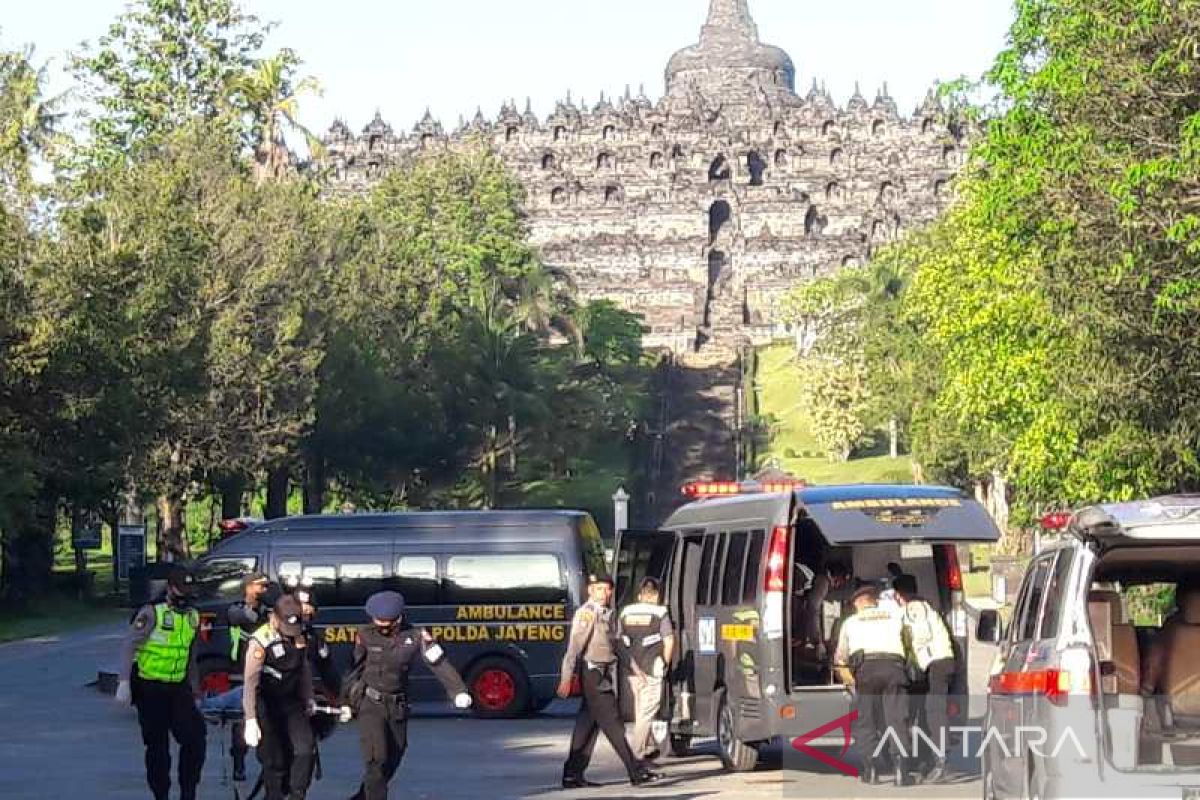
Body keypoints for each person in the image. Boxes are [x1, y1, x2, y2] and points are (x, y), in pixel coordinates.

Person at [344, 590, 472, 800]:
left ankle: (361, 797)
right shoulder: (365, 634)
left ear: (397, 620)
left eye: (385, 624)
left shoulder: (416, 636)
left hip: (397, 705)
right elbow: (353, 670)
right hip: (371, 703)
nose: (381, 628)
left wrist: (458, 690)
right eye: (377, 622)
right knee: (377, 759)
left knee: (395, 755)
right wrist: (345, 702)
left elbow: (438, 663)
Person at [557, 574, 659, 789]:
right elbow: (573, 650)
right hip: (592, 673)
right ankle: (636, 771)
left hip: (604, 672)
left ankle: (572, 774)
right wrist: (566, 679)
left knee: (588, 726)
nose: (604, 593)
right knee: (614, 724)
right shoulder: (587, 614)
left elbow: (618, 646)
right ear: (590, 591)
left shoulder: (609, 615)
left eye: (607, 589)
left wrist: (635, 669)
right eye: (599, 589)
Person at [115, 563, 207, 800]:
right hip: (150, 688)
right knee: (158, 749)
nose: (185, 598)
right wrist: (123, 682)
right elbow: (129, 645)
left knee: (195, 738)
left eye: (189, 593)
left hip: (178, 688)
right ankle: (161, 795)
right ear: (170, 589)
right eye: (181, 592)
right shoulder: (152, 613)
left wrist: (196, 691)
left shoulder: (193, 617)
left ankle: (188, 792)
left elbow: (191, 657)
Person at [833, 584, 913, 786]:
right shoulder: (894, 617)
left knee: (865, 721)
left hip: (866, 670)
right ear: (874, 601)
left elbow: (840, 657)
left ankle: (871, 771)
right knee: (897, 719)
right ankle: (901, 772)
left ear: (858, 603)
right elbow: (908, 643)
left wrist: (851, 681)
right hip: (894, 668)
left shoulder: (851, 622)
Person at [241, 594, 318, 800]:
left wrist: (309, 697)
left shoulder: (301, 633)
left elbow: (303, 669)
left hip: (292, 701)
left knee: (304, 751)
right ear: (274, 618)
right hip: (266, 703)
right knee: (275, 762)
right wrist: (250, 719)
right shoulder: (261, 640)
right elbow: (250, 682)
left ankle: (297, 795)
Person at [892, 574, 956, 783]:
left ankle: (941, 762)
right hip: (940, 662)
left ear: (899, 594)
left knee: (933, 711)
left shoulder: (914, 608)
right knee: (926, 711)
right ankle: (930, 760)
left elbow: (920, 633)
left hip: (936, 662)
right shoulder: (924, 606)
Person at [618, 576, 675, 761]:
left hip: (632, 669)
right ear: (657, 594)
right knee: (647, 711)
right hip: (652, 668)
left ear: (640, 594)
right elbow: (669, 641)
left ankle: (649, 746)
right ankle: (636, 754)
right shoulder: (660, 613)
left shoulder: (626, 612)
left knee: (640, 709)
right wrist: (665, 663)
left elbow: (619, 639)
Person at [227, 571, 271, 780]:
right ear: (248, 587)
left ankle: (268, 764)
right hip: (241, 671)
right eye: (260, 586)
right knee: (242, 721)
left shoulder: (267, 607)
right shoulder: (236, 609)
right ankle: (238, 761)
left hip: (265, 670)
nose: (264, 590)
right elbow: (249, 618)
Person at [798, 561, 851, 652]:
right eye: (841, 582)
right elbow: (813, 608)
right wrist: (817, 642)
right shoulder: (823, 581)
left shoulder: (814, 575)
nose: (838, 586)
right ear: (837, 578)